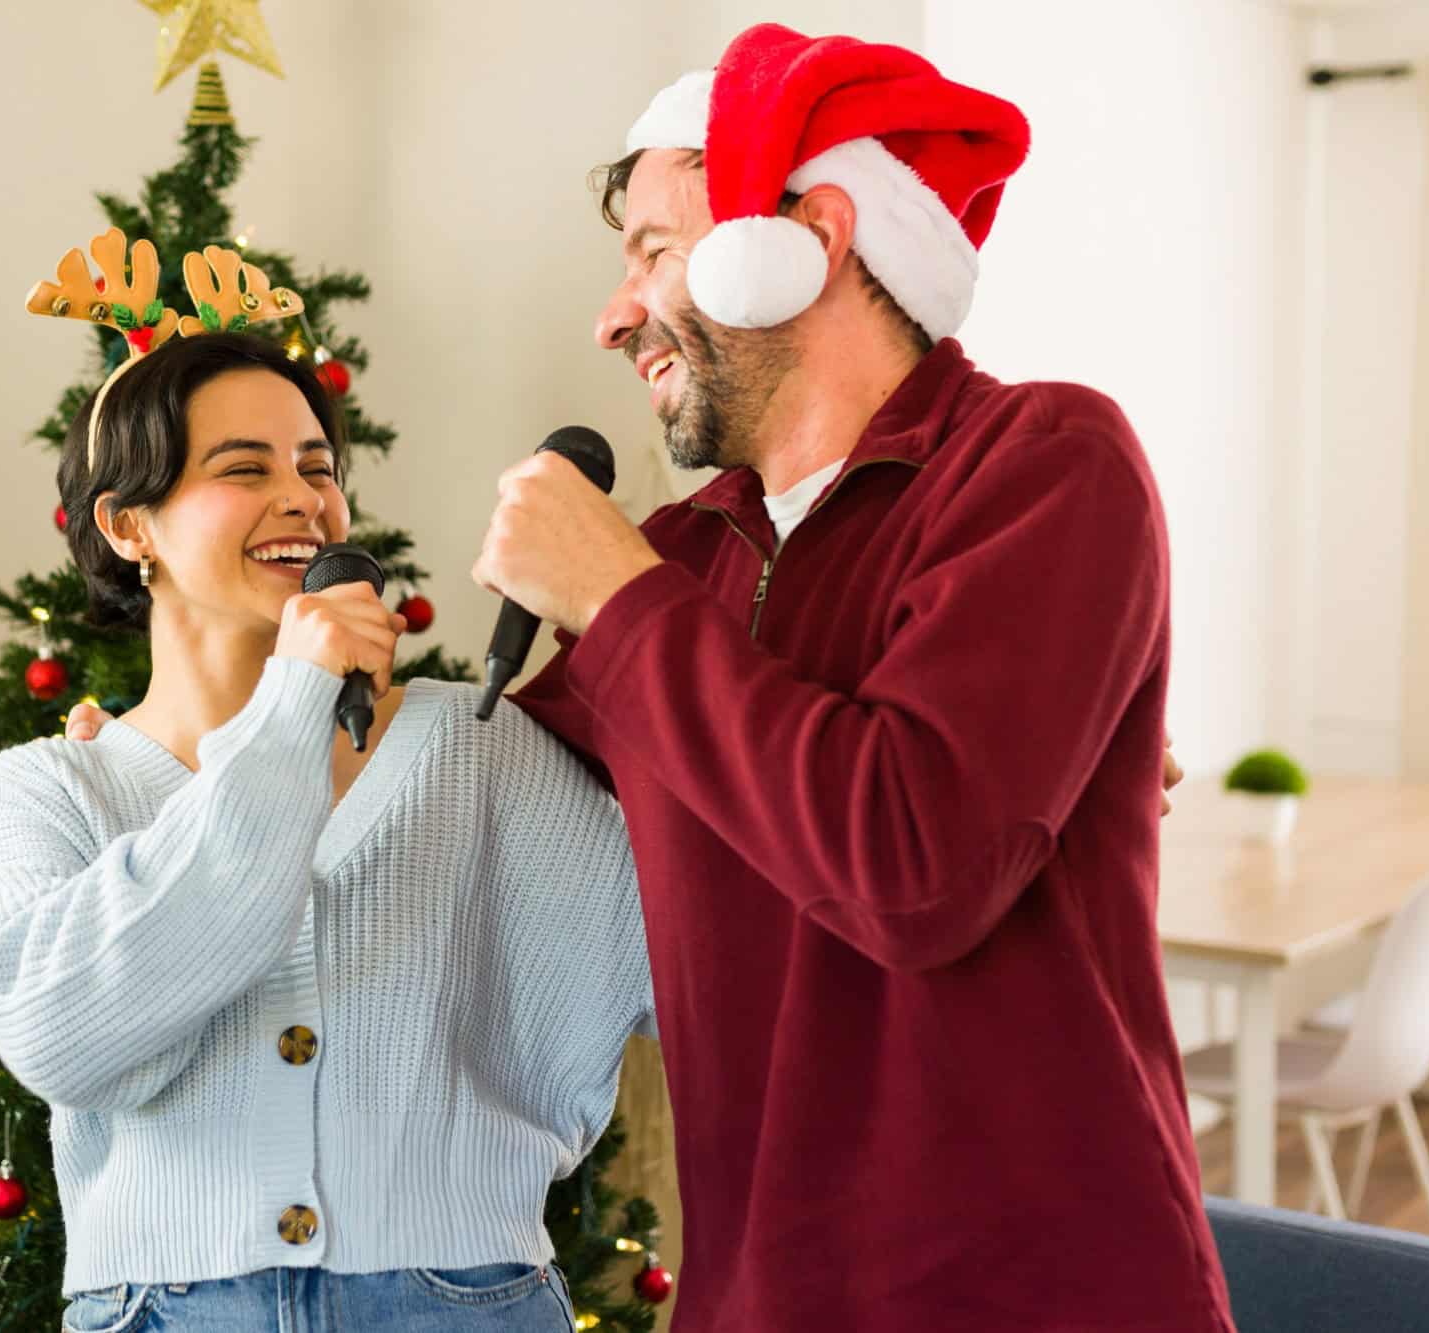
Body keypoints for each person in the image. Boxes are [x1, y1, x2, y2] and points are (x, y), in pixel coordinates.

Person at [467, 26, 1232, 1333]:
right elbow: (478, 804)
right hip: (761, 1298)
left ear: (808, 235)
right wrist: (132, 763)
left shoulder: (1047, 460)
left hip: (1042, 1300)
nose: (611, 312)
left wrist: (613, 601)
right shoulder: (683, 558)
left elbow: (914, 867)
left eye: (654, 248)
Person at [0, 319, 652, 1331]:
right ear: (127, 526)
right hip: (157, 1311)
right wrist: (293, 707)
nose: (303, 497)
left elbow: (701, 960)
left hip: (465, 1302)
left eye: (317, 467)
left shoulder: (487, 745)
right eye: (242, 467)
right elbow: (66, 1038)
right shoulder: (46, 791)